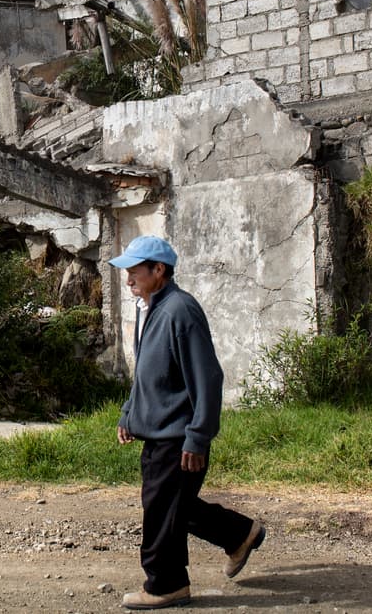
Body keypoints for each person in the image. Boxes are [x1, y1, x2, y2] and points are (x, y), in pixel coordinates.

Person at [110, 234, 265, 610]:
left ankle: (166, 585)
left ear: (158, 270)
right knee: (170, 505)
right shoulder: (149, 309)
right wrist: (129, 413)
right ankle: (241, 533)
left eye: (135, 270)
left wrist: (197, 437)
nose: (128, 277)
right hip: (157, 432)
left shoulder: (181, 310)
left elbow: (207, 378)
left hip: (177, 437)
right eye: (127, 270)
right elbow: (147, 375)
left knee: (162, 510)